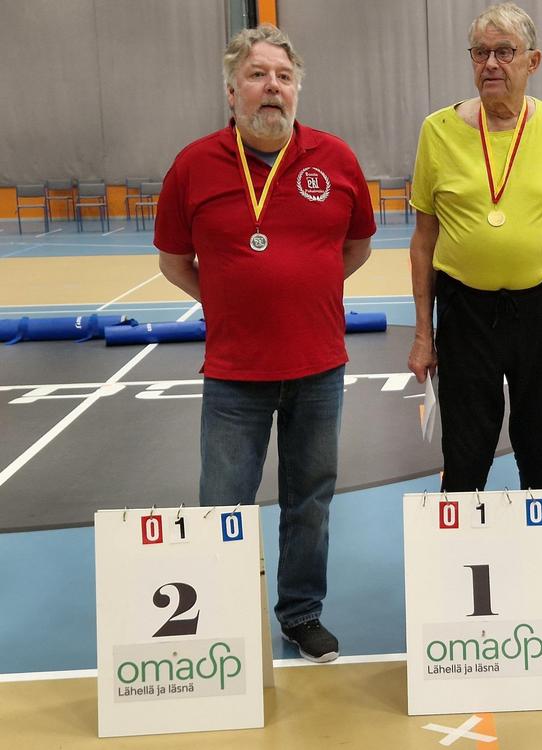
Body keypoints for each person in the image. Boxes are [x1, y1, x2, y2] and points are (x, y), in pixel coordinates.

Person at [155, 24, 375, 663]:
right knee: (223, 503)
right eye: (257, 75)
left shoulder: (336, 159)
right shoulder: (193, 165)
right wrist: (229, 302)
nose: (272, 87)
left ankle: (301, 614)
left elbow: (357, 247)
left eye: (283, 76)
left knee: (311, 501)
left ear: (297, 88)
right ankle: (219, 618)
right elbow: (174, 261)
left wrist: (303, 290)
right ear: (232, 92)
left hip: (319, 367)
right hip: (233, 372)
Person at [407, 2, 542, 646]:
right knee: (465, 456)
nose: (491, 63)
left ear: (532, 62)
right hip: (465, 313)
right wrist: (423, 333)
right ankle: (454, 590)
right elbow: (423, 241)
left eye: (504, 52)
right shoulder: (437, 131)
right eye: (480, 52)